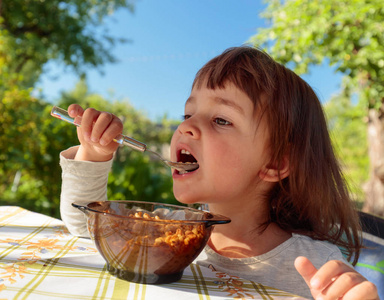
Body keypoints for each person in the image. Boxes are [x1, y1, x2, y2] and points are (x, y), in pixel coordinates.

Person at [59, 46, 379, 299]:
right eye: (188, 113)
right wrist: (95, 153)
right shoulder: (172, 230)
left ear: (276, 164)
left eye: (221, 120)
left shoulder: (315, 266)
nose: (185, 126)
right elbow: (83, 226)